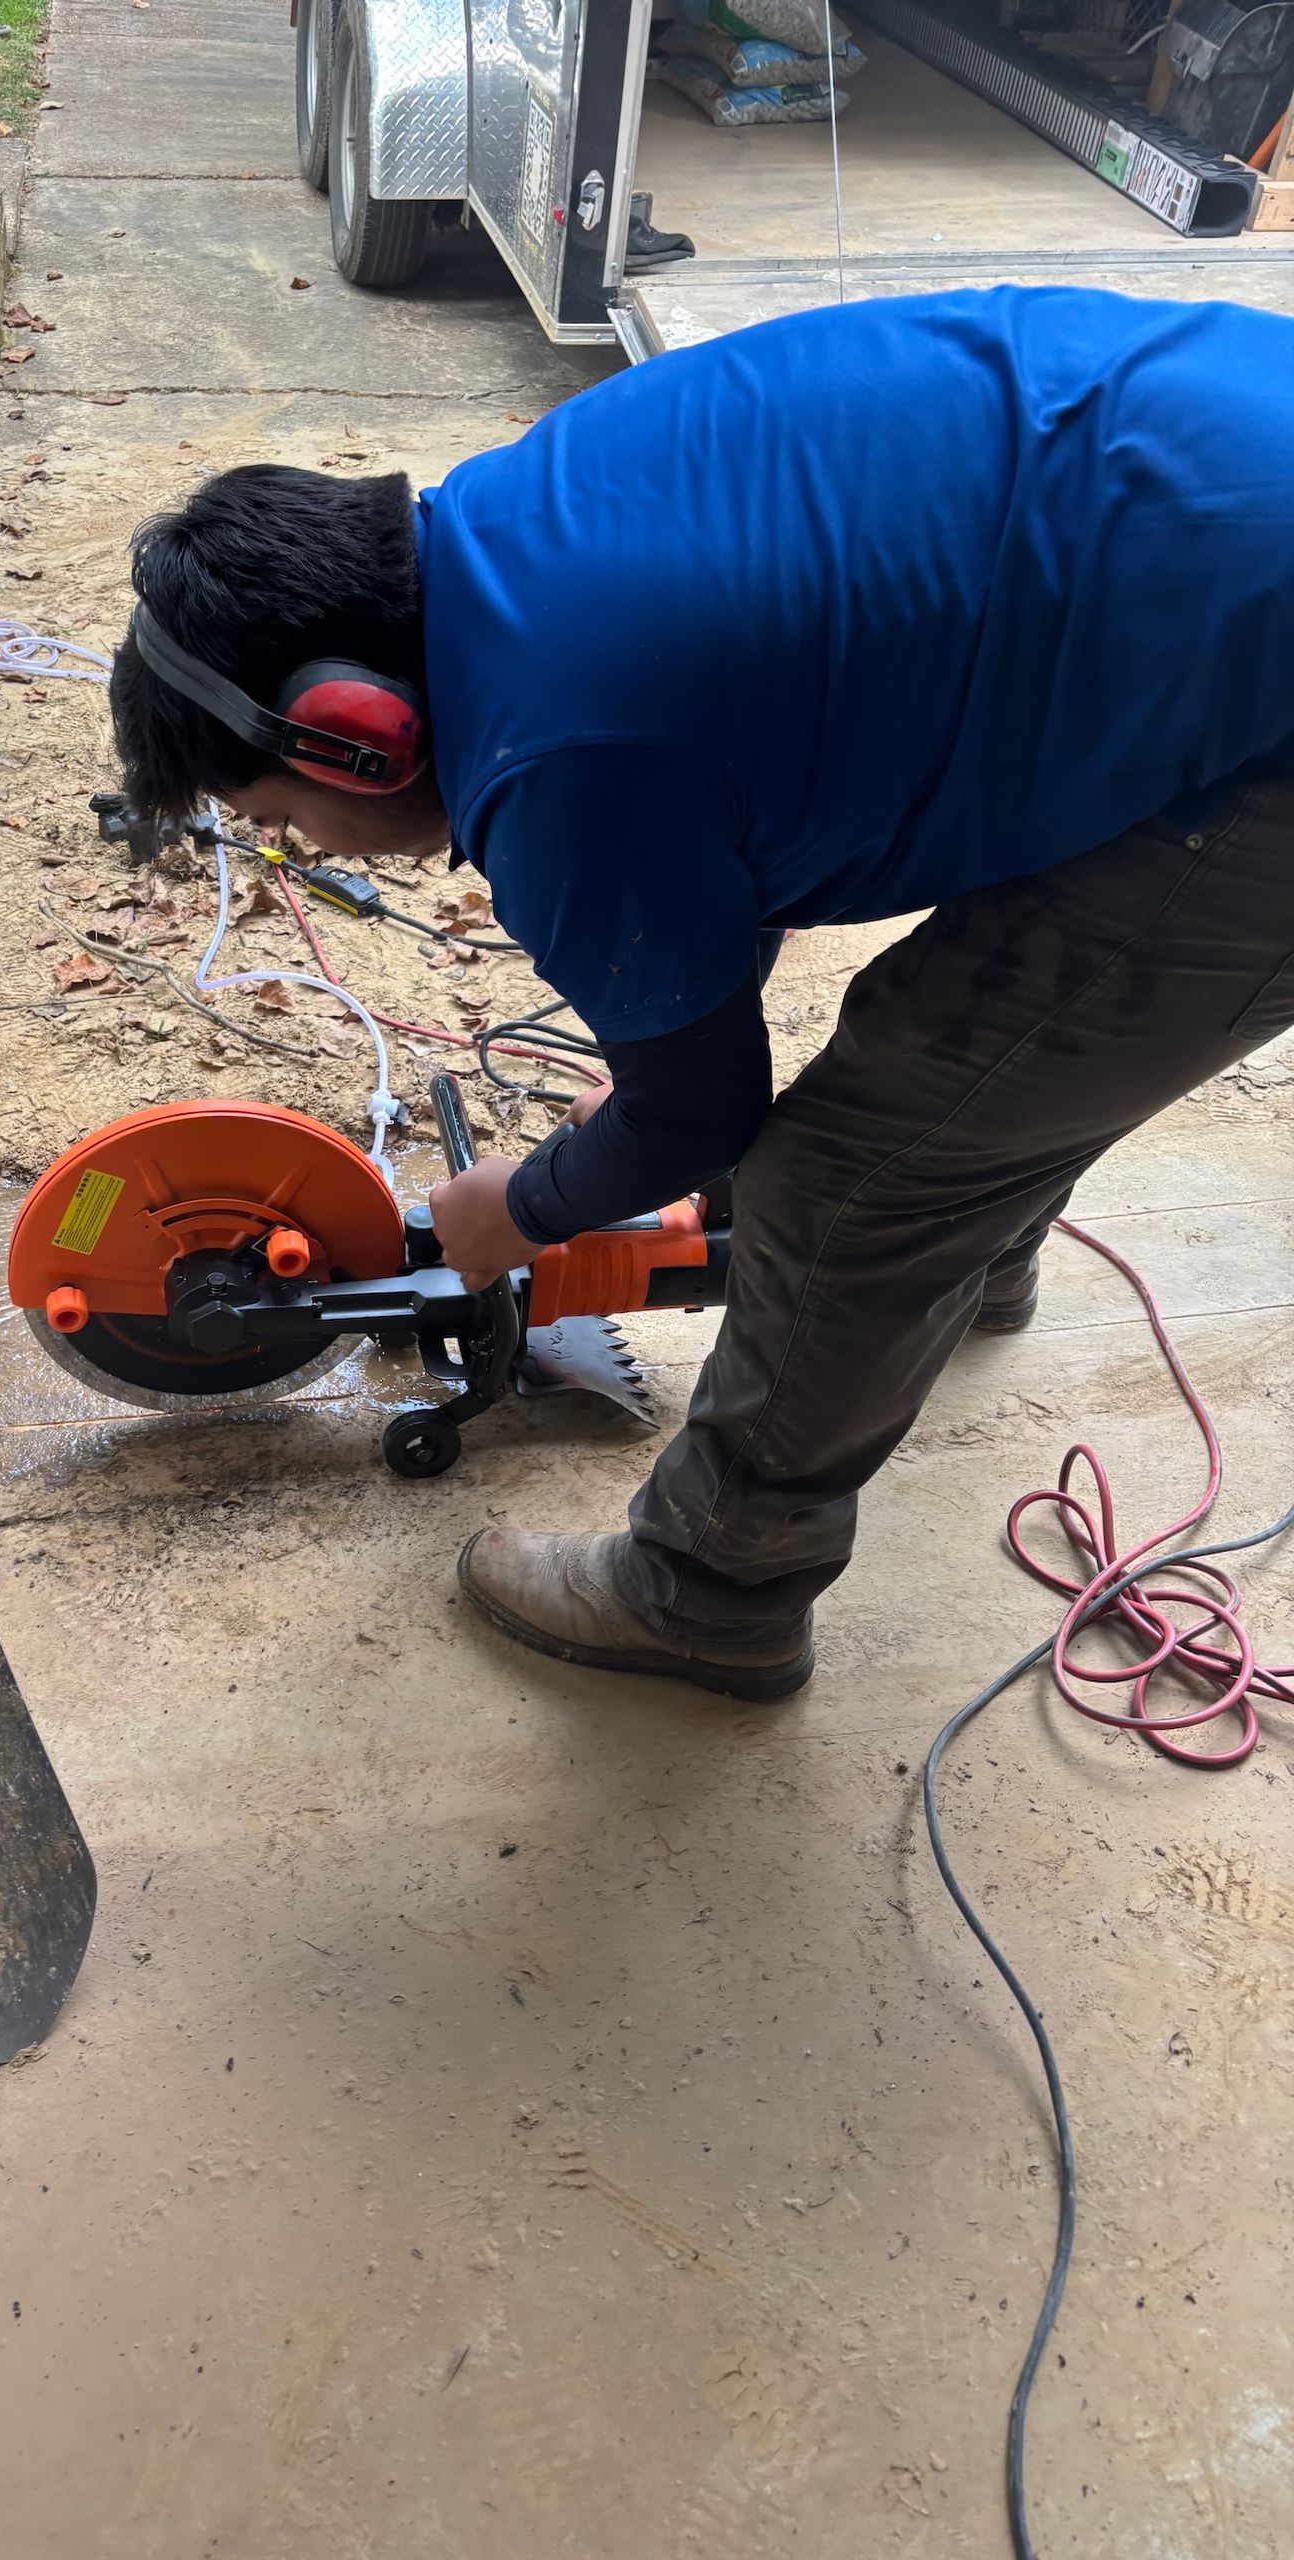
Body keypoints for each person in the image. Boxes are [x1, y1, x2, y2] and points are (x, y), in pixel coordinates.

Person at [107, 287, 1294, 1702]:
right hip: (1202, 505)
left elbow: (707, 1106)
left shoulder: (555, 760)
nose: (308, 849)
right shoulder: (524, 525)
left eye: (284, 818)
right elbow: (769, 758)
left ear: (357, 737)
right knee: (986, 1038)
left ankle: (710, 1591)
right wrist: (669, 1036)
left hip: (1262, 682)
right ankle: (977, 1256)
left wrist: (516, 1205)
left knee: (863, 1176)